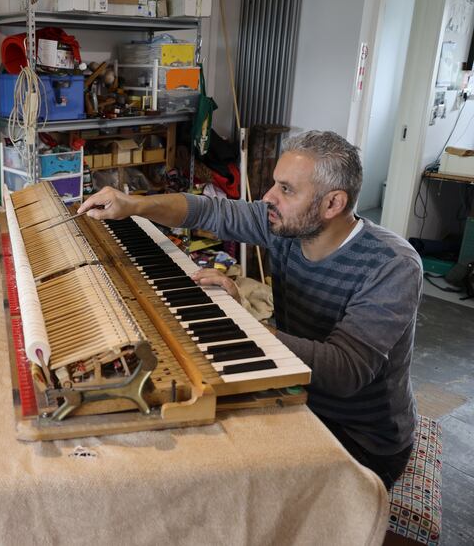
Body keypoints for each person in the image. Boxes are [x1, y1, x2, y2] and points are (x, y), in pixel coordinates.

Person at [78, 130, 420, 489]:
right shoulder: (285, 224)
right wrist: (135, 205)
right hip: (295, 392)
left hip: (360, 437)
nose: (267, 197)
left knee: (221, 483)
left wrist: (239, 322)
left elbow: (344, 371)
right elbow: (209, 210)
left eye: (286, 189)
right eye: (274, 184)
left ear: (333, 204)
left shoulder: (392, 265)